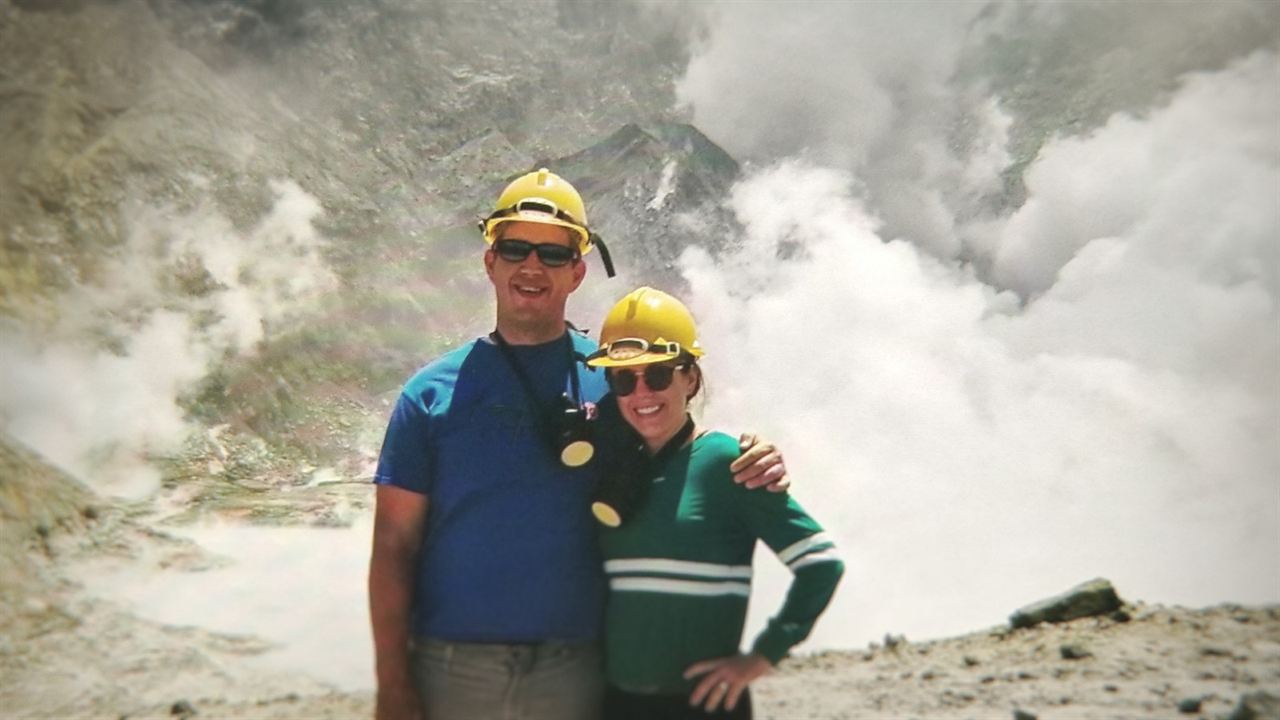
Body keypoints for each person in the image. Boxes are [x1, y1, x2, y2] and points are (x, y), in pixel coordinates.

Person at [368, 169, 790, 720]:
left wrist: (753, 454)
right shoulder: (428, 396)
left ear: (577, 272)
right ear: (490, 261)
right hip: (451, 671)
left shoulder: (616, 380)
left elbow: (680, 451)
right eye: (516, 247)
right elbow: (394, 547)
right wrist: (392, 683)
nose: (532, 266)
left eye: (552, 254)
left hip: (579, 672)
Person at [586, 287, 845, 720]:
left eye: (658, 375)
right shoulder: (610, 467)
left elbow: (820, 564)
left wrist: (762, 656)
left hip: (706, 707)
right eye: (624, 379)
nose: (641, 393)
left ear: (690, 377)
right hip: (618, 703)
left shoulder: (728, 461)